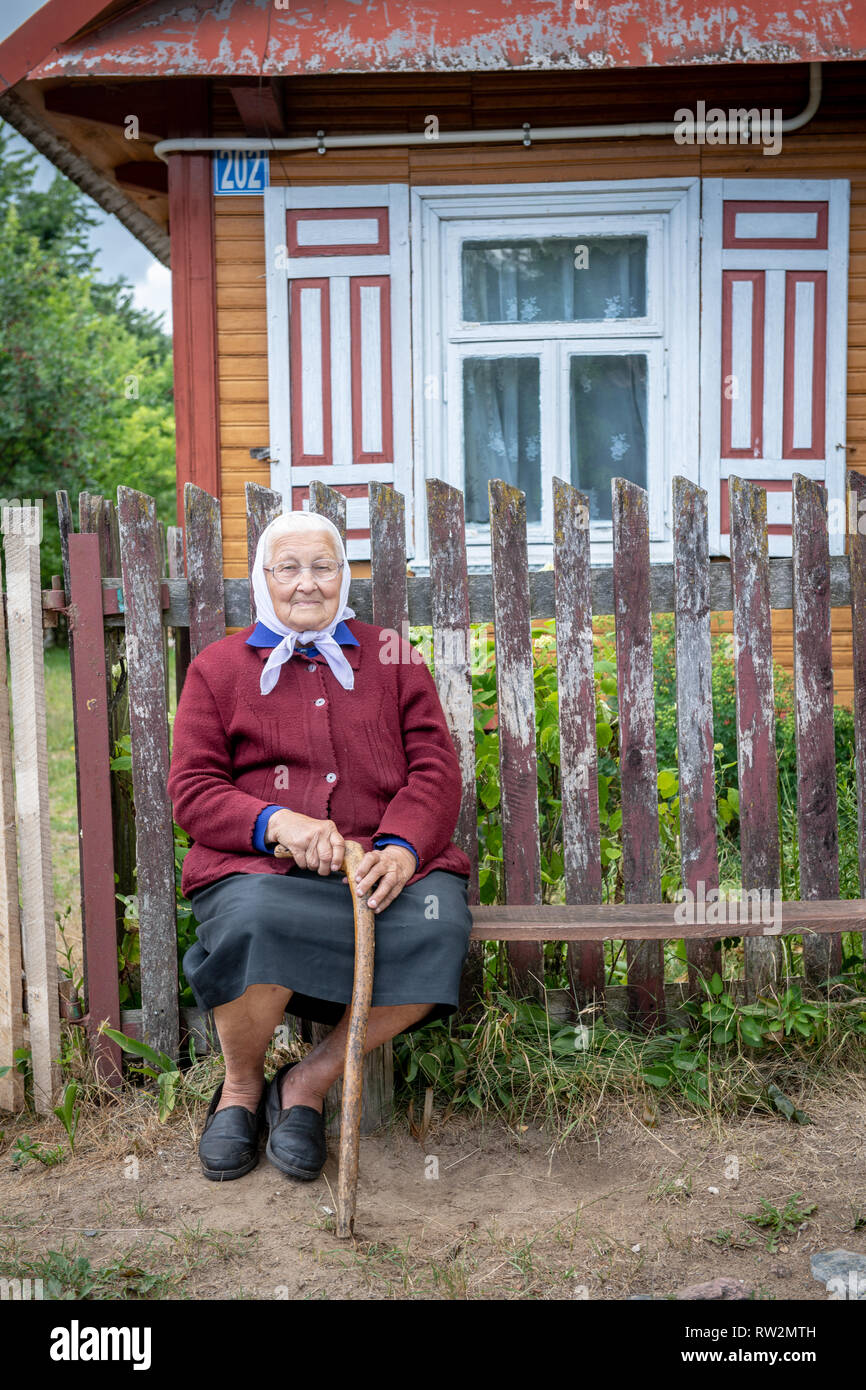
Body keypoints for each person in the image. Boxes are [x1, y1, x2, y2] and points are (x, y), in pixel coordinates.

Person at [167, 509, 473, 1183]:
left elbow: (434, 770)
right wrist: (278, 822)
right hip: (259, 870)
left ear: (344, 576)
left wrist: (401, 849)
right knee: (255, 921)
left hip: (380, 870)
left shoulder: (392, 657)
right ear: (263, 580)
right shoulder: (219, 669)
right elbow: (192, 789)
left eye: (323, 567)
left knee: (439, 923)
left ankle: (306, 1083)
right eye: (289, 568)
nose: (307, 584)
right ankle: (243, 1088)